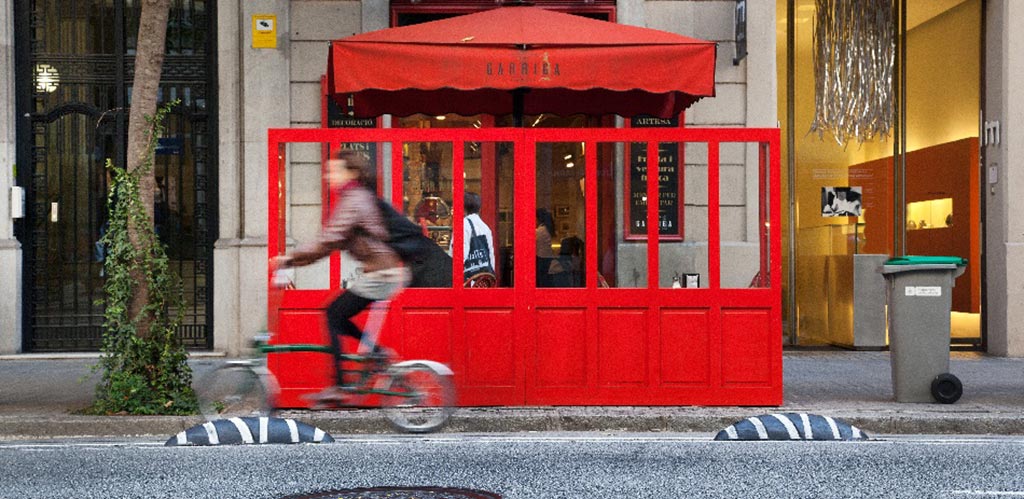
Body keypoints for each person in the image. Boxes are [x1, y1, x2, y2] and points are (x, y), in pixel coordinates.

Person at [271, 149, 410, 402]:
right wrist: (298, 260)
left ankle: (341, 384)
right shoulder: (355, 196)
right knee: (336, 314)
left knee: (333, 313)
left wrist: (289, 258)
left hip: (382, 274)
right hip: (382, 271)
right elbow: (329, 243)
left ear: (351, 173)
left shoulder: (354, 198)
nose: (327, 175)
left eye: (333, 170)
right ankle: (376, 355)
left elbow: (329, 239)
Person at [454, 191, 496, 286]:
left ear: (463, 207)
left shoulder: (463, 225)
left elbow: (459, 257)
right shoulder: (485, 227)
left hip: (467, 283)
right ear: (479, 208)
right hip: (483, 283)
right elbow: (491, 258)